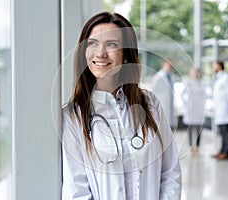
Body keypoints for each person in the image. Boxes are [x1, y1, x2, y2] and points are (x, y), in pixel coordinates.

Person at [61, 11, 182, 200]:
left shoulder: (150, 104)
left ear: (126, 55)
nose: (100, 52)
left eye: (111, 44)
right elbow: (76, 190)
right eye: (92, 43)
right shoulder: (74, 115)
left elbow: (170, 172)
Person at [211, 60, 228, 160]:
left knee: (226, 131)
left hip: (224, 108)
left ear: (219, 66)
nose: (213, 68)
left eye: (214, 66)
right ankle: (222, 151)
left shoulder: (226, 78)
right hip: (220, 109)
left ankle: (226, 152)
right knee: (222, 131)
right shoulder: (219, 78)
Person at [181, 67, 205, 155]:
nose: (195, 74)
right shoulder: (188, 83)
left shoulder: (202, 83)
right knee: (190, 130)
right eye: (194, 72)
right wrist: (186, 104)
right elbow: (182, 95)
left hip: (199, 110)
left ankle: (197, 147)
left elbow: (205, 96)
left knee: (199, 130)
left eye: (197, 72)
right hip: (190, 110)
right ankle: (191, 147)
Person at [151, 59, 176, 129]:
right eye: (169, 65)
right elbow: (153, 92)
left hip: (170, 105)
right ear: (164, 65)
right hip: (162, 105)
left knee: (170, 129)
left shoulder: (172, 77)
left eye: (172, 66)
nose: (170, 67)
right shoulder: (157, 77)